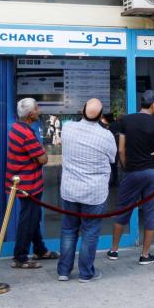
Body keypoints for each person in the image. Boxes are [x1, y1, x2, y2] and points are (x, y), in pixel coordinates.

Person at [108, 90, 154, 264]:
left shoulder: (126, 121)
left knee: (122, 210)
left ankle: (113, 250)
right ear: (153, 104)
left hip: (132, 172)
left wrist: (126, 167)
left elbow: (121, 149)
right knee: (151, 212)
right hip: (152, 172)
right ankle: (145, 255)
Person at [57, 99, 117, 283]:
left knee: (68, 230)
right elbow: (113, 159)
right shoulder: (106, 136)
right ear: (101, 116)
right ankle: (85, 273)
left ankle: (63, 272)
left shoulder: (68, 129)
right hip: (94, 192)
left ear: (81, 111)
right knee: (90, 232)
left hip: (70, 189)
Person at [7, 98, 58, 269]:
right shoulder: (27, 134)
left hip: (27, 183)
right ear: (30, 114)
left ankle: (39, 249)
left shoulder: (16, 127)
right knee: (28, 219)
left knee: (33, 217)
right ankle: (20, 257)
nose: (39, 110)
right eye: (37, 108)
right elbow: (43, 159)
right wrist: (42, 150)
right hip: (28, 185)